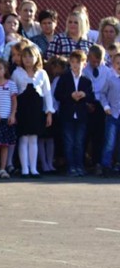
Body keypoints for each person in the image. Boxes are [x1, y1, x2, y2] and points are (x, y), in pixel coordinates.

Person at [11, 45, 54, 178]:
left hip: (36, 109)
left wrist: (49, 112)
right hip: (23, 108)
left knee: (34, 139)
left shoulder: (42, 73)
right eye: (25, 56)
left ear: (37, 58)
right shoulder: (17, 73)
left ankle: (34, 168)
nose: (28, 59)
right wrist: (13, 112)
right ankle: (25, 168)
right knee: (24, 138)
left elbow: (47, 93)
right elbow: (13, 93)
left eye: (31, 56)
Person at [54, 49, 94, 177]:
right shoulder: (64, 78)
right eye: (73, 62)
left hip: (81, 116)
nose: (75, 65)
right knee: (69, 141)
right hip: (67, 115)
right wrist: (70, 95)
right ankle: (70, 166)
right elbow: (58, 95)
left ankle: (79, 166)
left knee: (79, 142)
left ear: (84, 64)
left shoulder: (86, 80)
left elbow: (91, 96)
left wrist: (85, 94)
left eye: (78, 62)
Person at [82, 44, 111, 175]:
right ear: (88, 57)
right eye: (93, 60)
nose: (95, 63)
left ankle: (97, 163)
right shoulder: (83, 70)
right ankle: (82, 163)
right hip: (87, 103)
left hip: (101, 105)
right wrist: (86, 103)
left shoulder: (107, 71)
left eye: (98, 61)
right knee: (85, 135)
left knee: (99, 136)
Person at [100, 53, 120, 176]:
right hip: (113, 114)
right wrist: (106, 106)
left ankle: (118, 164)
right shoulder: (110, 78)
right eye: (118, 63)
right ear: (113, 64)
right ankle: (105, 166)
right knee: (109, 141)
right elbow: (102, 94)